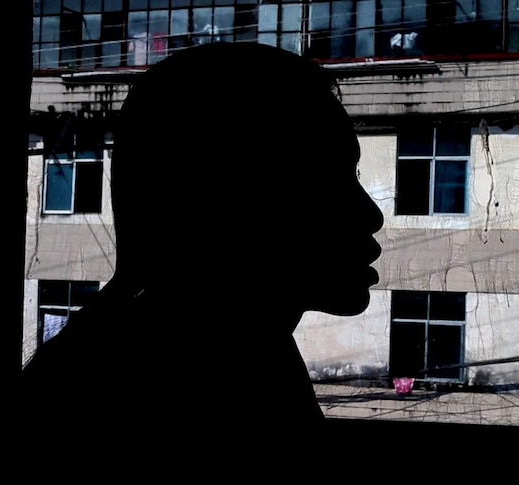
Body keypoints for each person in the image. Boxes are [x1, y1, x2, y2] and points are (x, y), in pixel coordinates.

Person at [20, 41, 383, 453]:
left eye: (349, 175)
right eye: (322, 183)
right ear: (223, 202)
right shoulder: (188, 379)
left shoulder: (249, 356)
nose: (371, 215)